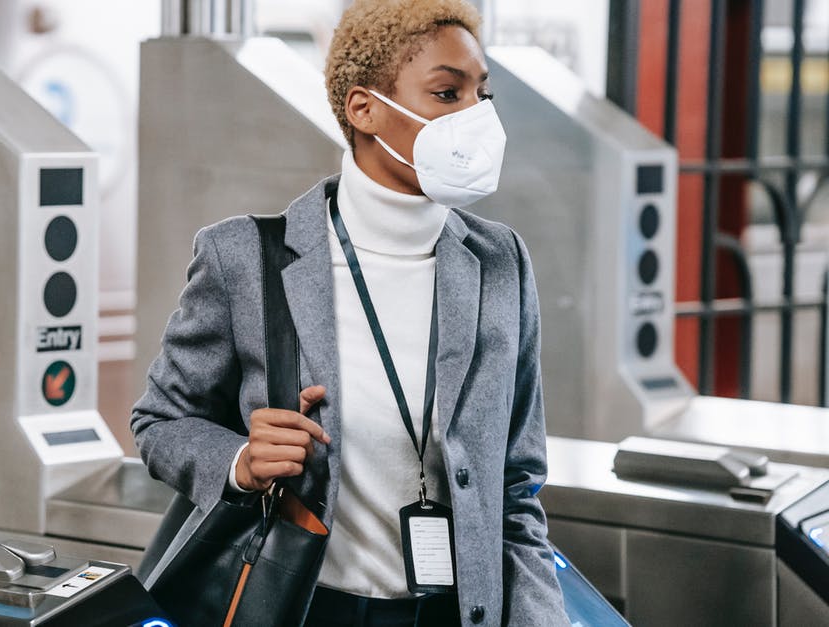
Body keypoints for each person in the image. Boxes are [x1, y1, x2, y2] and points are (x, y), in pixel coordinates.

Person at [131, 0, 569, 624]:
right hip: (306, 606)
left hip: (456, 613)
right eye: (448, 93)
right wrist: (240, 463)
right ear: (364, 109)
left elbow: (517, 486)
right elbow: (161, 421)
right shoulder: (244, 259)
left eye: (482, 93)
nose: (476, 116)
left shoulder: (500, 261)